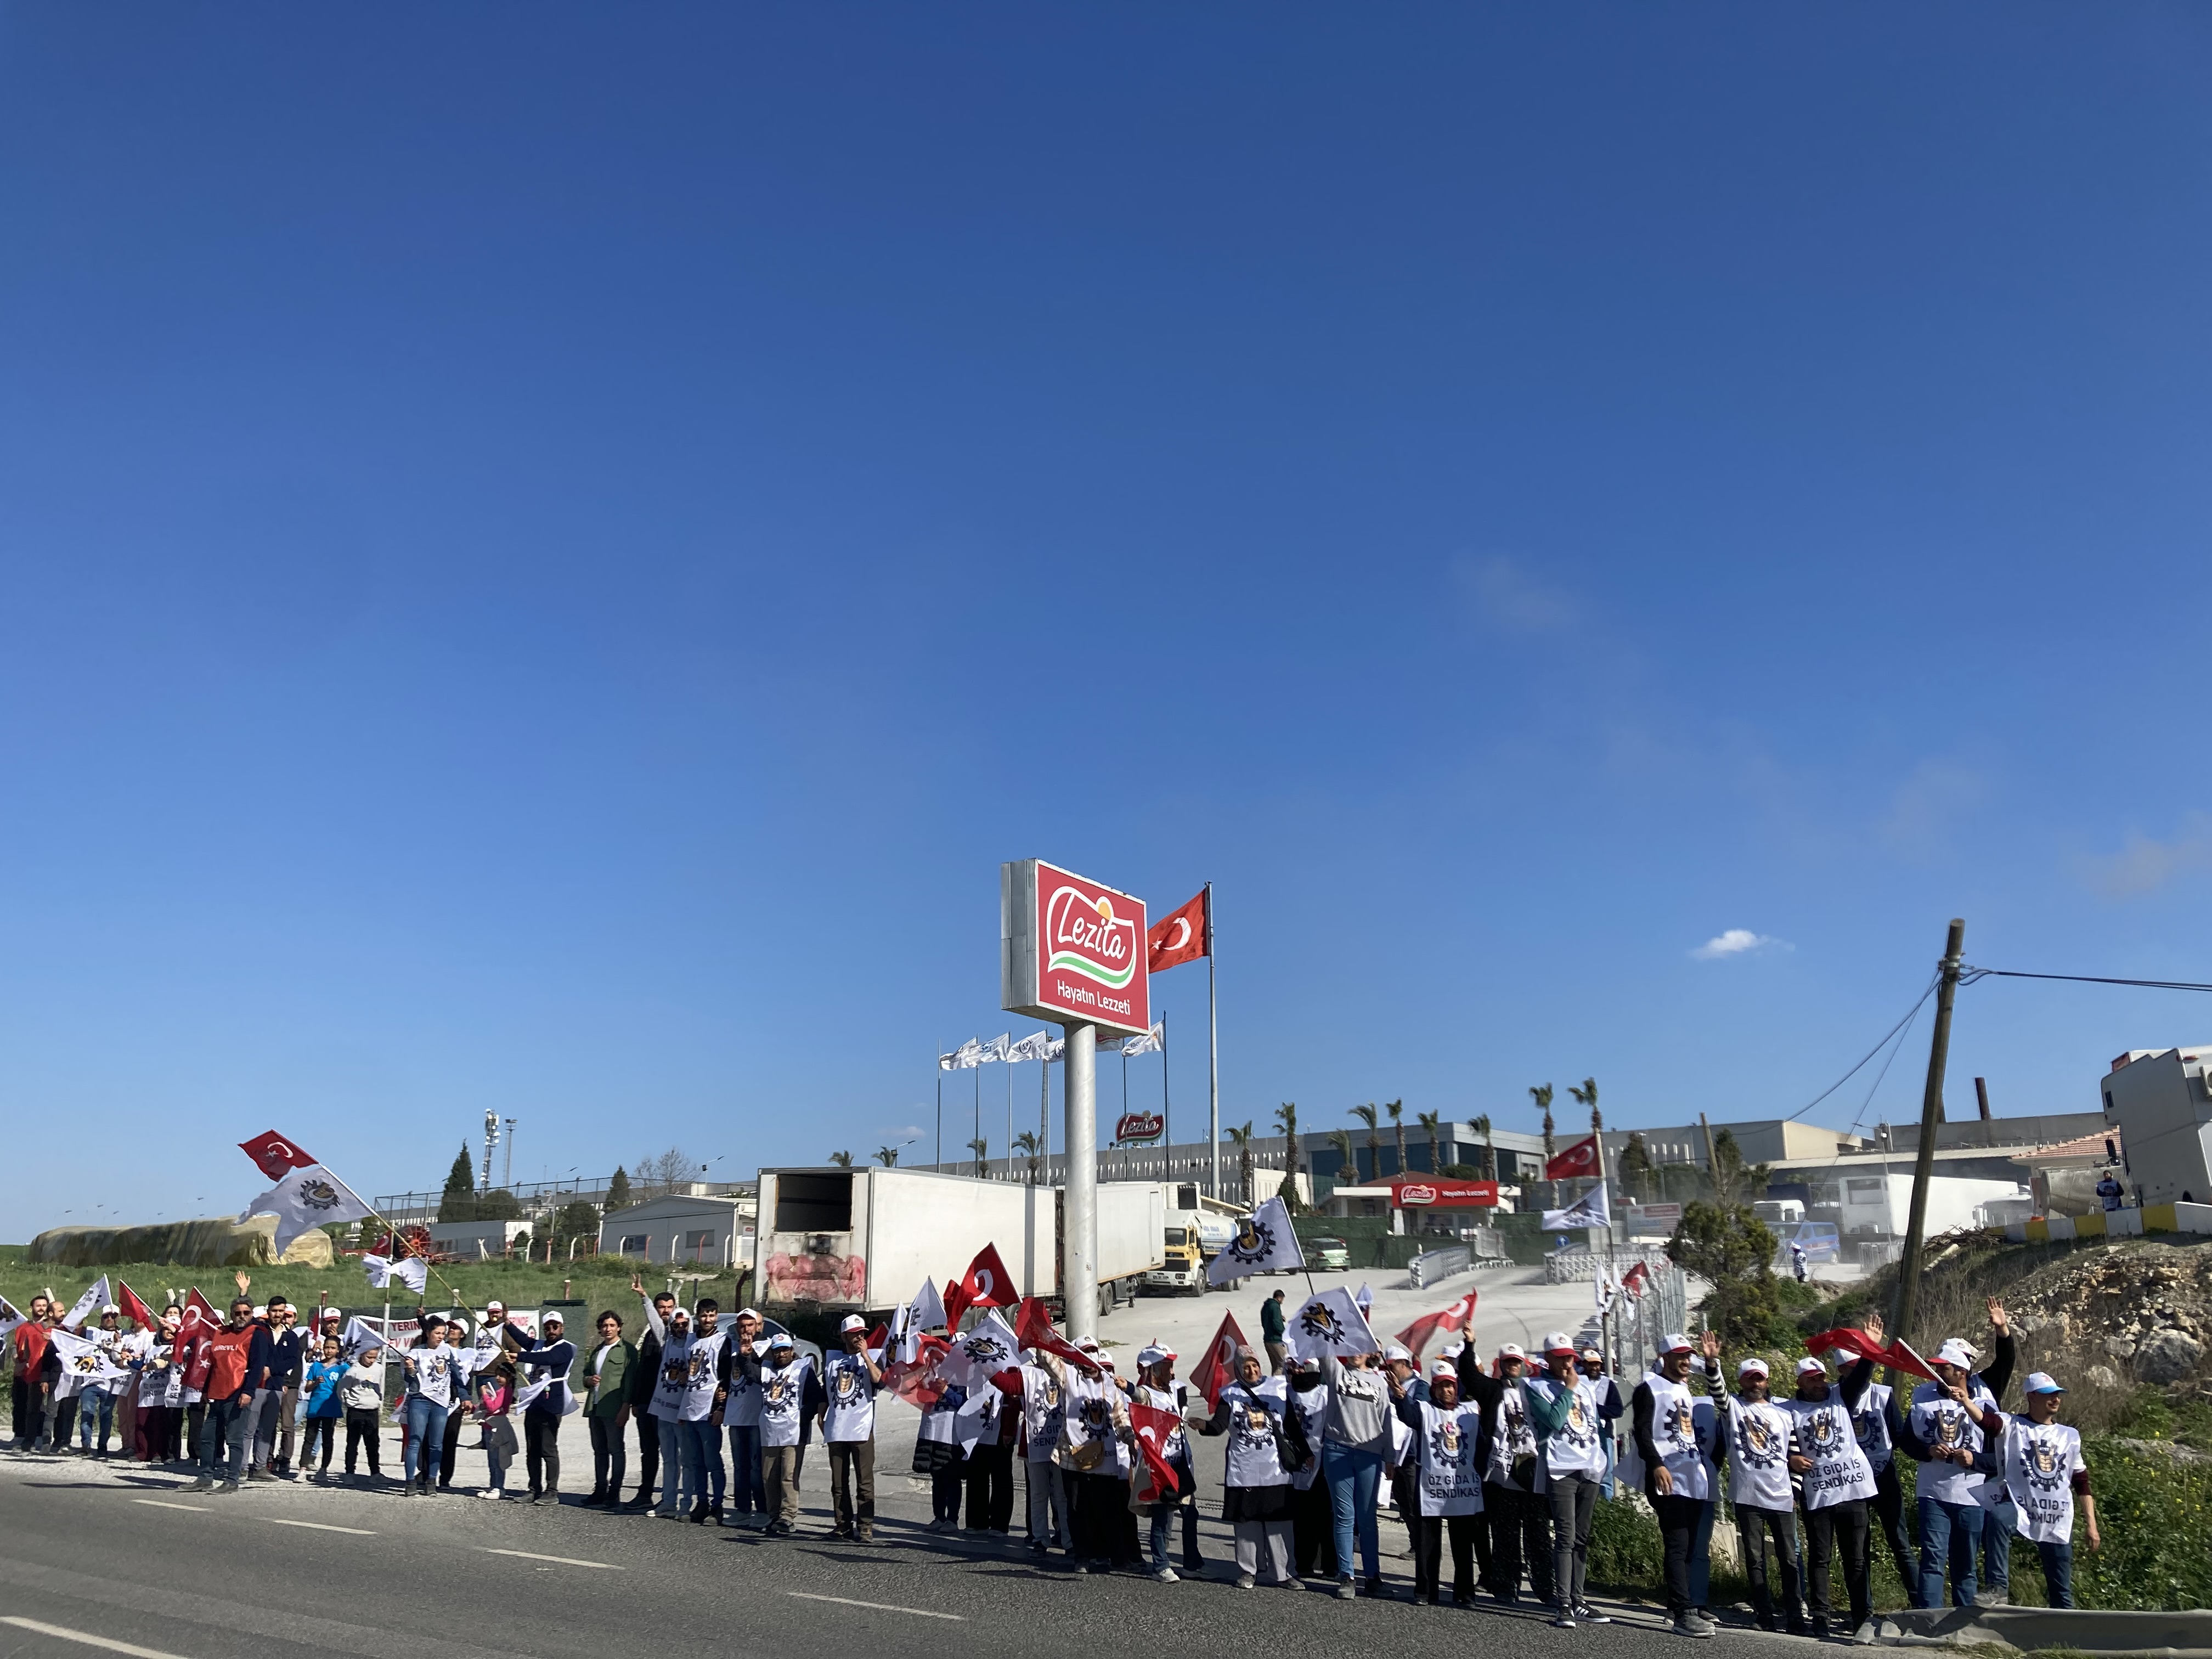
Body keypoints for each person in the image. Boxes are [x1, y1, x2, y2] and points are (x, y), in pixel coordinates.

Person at [1900, 1300, 2014, 1610]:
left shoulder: (1985, 1388)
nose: (1938, 1370)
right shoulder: (1922, 1394)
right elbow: (1906, 1440)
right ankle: (1928, 1623)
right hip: (1932, 1492)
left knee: (1966, 1567)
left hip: (1973, 1494)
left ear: (1962, 1370)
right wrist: (1928, 1450)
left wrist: (2002, 1329)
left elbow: (2006, 1361)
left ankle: (1965, 1627)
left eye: (1944, 1367)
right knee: (1933, 1560)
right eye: (1936, 1366)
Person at [1706, 1343, 1805, 1634]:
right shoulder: (1734, 1408)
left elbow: (1795, 1456)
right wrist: (1713, 1363)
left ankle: (1795, 1615)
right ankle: (1765, 1614)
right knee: (1755, 1558)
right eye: (1750, 1378)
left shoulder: (1784, 1412)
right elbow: (1717, 1392)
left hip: (1782, 1495)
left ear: (1767, 1380)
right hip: (1748, 1495)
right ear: (1741, 1381)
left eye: (1760, 1378)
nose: (1756, 1383)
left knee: (1789, 1559)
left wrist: (1796, 1492)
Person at [1195, 1346, 1308, 1590]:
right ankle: (1248, 1571)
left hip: (1275, 1470)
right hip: (1243, 1470)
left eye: (1255, 1365)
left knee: (1280, 1523)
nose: (1252, 1370)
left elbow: (1291, 1426)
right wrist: (1202, 1426)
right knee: (1247, 1524)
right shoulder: (1229, 1394)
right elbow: (1218, 1427)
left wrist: (1306, 1453)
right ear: (1238, 1370)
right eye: (1246, 1366)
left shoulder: (1277, 1389)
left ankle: (1286, 1573)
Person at [1525, 1330, 1617, 1629]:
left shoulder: (1586, 1388)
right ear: (1549, 1359)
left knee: (1582, 1537)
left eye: (1571, 1358)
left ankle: (1579, 1599)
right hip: (1561, 1468)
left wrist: (1602, 1462)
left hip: (1589, 1467)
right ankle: (1563, 1602)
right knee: (1565, 1535)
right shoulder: (1536, 1387)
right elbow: (1553, 1421)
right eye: (1562, 1358)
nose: (1568, 1363)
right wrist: (1567, 1389)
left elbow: (1594, 1425)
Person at [1629, 1333, 1718, 1639]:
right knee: (1678, 1543)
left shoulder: (1684, 1389)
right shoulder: (1649, 1387)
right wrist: (1656, 1464)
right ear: (1665, 1357)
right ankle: (1684, 1612)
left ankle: (1678, 1603)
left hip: (1692, 1476)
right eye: (1679, 1355)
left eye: (1687, 1355)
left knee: (1692, 1546)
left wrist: (1711, 1362)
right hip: (1667, 1477)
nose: (1684, 1361)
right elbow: (1641, 1432)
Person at [1991, 1372, 2098, 1609]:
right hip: (2022, 1508)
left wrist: (2091, 1525)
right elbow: (1987, 1422)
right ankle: (1997, 1589)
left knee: (2061, 1587)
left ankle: (2066, 1635)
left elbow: (2081, 1482)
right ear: (2032, 1397)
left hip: (2056, 1516)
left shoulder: (2069, 1436)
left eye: (2058, 1395)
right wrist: (1967, 1401)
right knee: (1998, 1520)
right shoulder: (2013, 1425)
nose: (2056, 1399)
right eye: (2049, 1395)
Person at [1455, 1340, 1550, 1606]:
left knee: (1538, 1536)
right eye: (1508, 1362)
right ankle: (1506, 1587)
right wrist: (1470, 1344)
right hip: (1502, 1474)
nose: (1513, 1366)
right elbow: (1468, 1374)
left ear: (1524, 1365)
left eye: (1517, 1362)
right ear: (1501, 1365)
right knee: (1505, 1535)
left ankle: (1545, 1589)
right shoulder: (1492, 1389)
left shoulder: (1534, 1390)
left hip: (1532, 1471)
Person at [1837, 1311, 1916, 1605]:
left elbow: (1899, 1434)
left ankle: (1922, 1605)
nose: (1860, 1371)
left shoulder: (1883, 1395)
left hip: (1884, 1474)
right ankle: (1863, 1608)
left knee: (1901, 1543)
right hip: (1853, 1480)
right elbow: (1856, 1383)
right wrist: (1870, 1352)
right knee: (1860, 1548)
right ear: (1843, 1370)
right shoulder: (1838, 1396)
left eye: (1861, 1364)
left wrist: (1927, 1452)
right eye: (1852, 1367)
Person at [1393, 1356, 1485, 1606]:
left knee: (1463, 1546)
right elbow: (1409, 1416)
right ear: (1434, 1388)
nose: (1448, 1390)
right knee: (1428, 1544)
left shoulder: (1470, 1411)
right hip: (1432, 1488)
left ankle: (1465, 1593)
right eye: (1442, 1386)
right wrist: (1402, 1398)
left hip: (1463, 1489)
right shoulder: (1425, 1410)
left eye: (1451, 1385)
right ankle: (1425, 1592)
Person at [1319, 1346, 1396, 1599]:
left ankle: (1373, 1576)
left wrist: (1390, 1456)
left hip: (1370, 1453)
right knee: (1344, 1515)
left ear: (1369, 1354)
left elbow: (1386, 1419)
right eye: (1350, 1349)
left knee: (1367, 1517)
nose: (1355, 1353)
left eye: (1360, 1350)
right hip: (1337, 1451)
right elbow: (1323, 1350)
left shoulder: (1379, 1383)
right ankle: (1347, 1576)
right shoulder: (1337, 1373)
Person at [1131, 1342, 1198, 1582]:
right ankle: (1160, 1565)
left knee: (1190, 1513)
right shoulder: (1145, 1394)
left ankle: (1192, 1562)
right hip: (1160, 1464)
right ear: (1155, 1370)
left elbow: (1182, 1402)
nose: (1172, 1371)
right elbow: (1135, 1397)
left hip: (1181, 1462)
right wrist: (1128, 1386)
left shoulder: (1175, 1390)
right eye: (1168, 1367)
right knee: (1162, 1517)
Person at [819, 1313, 883, 1543]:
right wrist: (821, 1412)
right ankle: (842, 1525)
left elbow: (880, 1381)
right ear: (844, 1335)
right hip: (837, 1426)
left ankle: (865, 1526)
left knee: (864, 1481)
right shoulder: (833, 1359)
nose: (859, 1337)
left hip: (861, 1427)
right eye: (854, 1334)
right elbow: (825, 1389)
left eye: (862, 1334)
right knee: (839, 1482)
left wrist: (865, 1355)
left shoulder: (873, 1357)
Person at [747, 1330, 817, 1536]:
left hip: (793, 1433)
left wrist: (805, 1417)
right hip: (769, 1431)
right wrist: (747, 1352)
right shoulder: (766, 1369)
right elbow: (747, 1370)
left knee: (788, 1476)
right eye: (777, 1351)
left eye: (785, 1350)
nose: (781, 1355)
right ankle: (774, 1516)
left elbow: (815, 1396)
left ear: (792, 1352)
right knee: (769, 1477)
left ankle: (787, 1517)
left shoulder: (803, 1369)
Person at [506, 1309, 577, 1505]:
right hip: (535, 1401)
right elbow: (525, 1341)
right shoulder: (539, 1345)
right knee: (533, 1449)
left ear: (562, 1328)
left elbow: (548, 1359)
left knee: (548, 1448)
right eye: (547, 1328)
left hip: (552, 1401)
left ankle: (552, 1491)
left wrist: (519, 1357)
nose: (551, 1331)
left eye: (555, 1327)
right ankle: (533, 1489)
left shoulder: (566, 1348)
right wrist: (507, 1324)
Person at [193, 1297, 259, 1494]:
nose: (242, 1317)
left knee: (234, 1440)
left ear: (252, 1314)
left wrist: (248, 1391)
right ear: (231, 1314)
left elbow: (256, 1367)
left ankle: (232, 1480)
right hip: (217, 1393)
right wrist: (205, 1390)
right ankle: (205, 1478)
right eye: (238, 1313)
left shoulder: (256, 1334)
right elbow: (213, 1365)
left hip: (238, 1393)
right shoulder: (221, 1333)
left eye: (246, 1313)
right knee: (207, 1438)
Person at [1278, 1356, 1335, 1581]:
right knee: (1301, 1517)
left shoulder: (1325, 1393)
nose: (1299, 1372)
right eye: (1296, 1369)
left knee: (1326, 1515)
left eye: (1303, 1369)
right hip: (1294, 1461)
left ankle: (1331, 1565)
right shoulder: (1286, 1393)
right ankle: (1303, 1562)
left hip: (1322, 1461)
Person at [623, 1287, 676, 1507]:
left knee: (669, 1453)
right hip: (646, 1402)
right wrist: (636, 1401)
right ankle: (645, 1495)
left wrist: (643, 1297)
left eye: (669, 1308)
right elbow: (642, 1369)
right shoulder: (649, 1337)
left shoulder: (673, 1337)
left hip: (666, 1404)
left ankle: (669, 1498)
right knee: (648, 1451)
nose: (665, 1312)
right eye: (661, 1308)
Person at [1018, 1345, 1072, 1555]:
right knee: (1039, 1494)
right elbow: (1008, 1385)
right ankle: (1041, 1539)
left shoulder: (1068, 1373)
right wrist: (992, 1367)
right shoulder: (1028, 1374)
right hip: (1036, 1445)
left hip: (1062, 1445)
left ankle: (1069, 1541)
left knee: (1062, 1495)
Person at [399, 1314, 460, 1496]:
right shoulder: (415, 1352)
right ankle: (410, 1482)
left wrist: (463, 1395)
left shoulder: (448, 1351)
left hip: (440, 1403)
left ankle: (431, 1481)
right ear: (428, 1333)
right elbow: (409, 1379)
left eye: (443, 1333)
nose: (441, 1337)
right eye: (437, 1333)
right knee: (416, 1440)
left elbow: (456, 1376)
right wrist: (410, 1369)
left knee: (437, 1444)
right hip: (420, 1400)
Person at [580, 1311, 634, 1507]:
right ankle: (600, 1489)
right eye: (604, 1326)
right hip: (595, 1407)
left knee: (616, 1450)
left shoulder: (627, 1350)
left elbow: (630, 1380)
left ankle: (615, 1492)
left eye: (611, 1325)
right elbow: (586, 1374)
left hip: (614, 1408)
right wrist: (588, 1380)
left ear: (619, 1327)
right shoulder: (597, 1350)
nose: (608, 1329)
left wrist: (626, 1407)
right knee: (599, 1451)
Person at [722, 1307, 765, 1526]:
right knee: (740, 1467)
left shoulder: (765, 1350)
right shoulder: (732, 1350)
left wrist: (748, 1355)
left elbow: (759, 1377)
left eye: (750, 1325)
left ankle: (763, 1510)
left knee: (757, 1467)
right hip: (736, 1417)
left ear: (759, 1327)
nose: (746, 1330)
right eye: (742, 1326)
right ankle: (742, 1509)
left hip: (756, 1418)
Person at [297, 1337, 347, 1481]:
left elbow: (352, 1378)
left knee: (327, 1439)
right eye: (327, 1347)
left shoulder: (342, 1367)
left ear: (338, 1350)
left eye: (333, 1348)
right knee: (309, 1438)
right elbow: (307, 1389)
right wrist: (315, 1384)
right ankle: (303, 1469)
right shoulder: (316, 1366)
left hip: (331, 1407)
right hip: (315, 1407)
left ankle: (324, 1469)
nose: (329, 1350)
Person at [10, 1296, 51, 1450]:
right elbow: (15, 1345)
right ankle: (19, 1434)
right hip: (22, 1371)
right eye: (38, 1305)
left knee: (39, 1406)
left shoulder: (50, 1328)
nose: (41, 1308)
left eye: (44, 1305)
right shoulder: (23, 1327)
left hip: (40, 1372)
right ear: (32, 1308)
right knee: (20, 1404)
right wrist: (15, 1357)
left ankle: (38, 1436)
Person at [340, 1344, 386, 1482]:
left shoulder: (379, 1369)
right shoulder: (353, 1371)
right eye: (369, 1357)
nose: (372, 1360)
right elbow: (343, 1388)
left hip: (372, 1411)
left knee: (373, 1443)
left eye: (374, 1357)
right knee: (353, 1443)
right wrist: (349, 1401)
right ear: (361, 1355)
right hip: (356, 1411)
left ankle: (375, 1473)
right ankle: (349, 1473)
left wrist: (378, 1401)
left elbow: (381, 1387)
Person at [1260, 1290, 1288, 1375]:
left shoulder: (1266, 1306)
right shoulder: (1275, 1306)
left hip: (1267, 1339)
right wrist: (1284, 1333)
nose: (1282, 1302)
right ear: (1279, 1298)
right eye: (1282, 1299)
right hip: (1275, 1340)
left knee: (1275, 1366)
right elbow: (1277, 1324)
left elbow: (1268, 1320)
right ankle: (1277, 1385)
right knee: (1282, 1365)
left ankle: (1272, 1385)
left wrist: (1280, 1317)